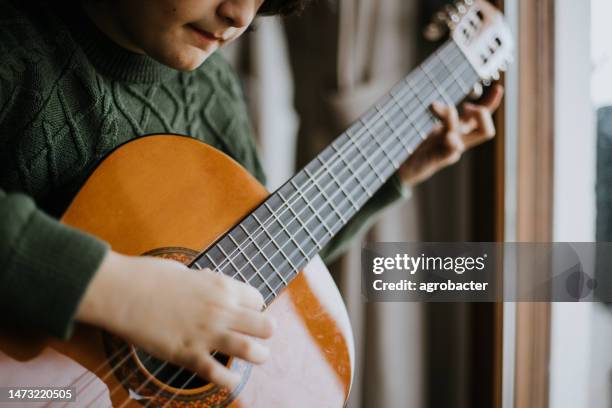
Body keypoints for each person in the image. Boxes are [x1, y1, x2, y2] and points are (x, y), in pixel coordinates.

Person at [0, 0, 503, 389]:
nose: (239, 15)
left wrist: (396, 175)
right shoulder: (16, 50)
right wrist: (124, 292)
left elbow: (255, 262)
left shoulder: (213, 86)